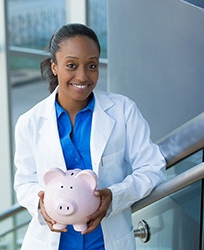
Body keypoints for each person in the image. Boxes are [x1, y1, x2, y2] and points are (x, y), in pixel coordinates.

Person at [14, 23, 166, 250]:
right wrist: (41, 204)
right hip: (50, 242)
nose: (83, 76)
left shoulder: (123, 110)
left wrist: (114, 196)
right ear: (55, 67)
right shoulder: (30, 122)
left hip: (105, 242)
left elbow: (153, 167)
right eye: (71, 65)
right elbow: (24, 182)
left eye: (92, 65)